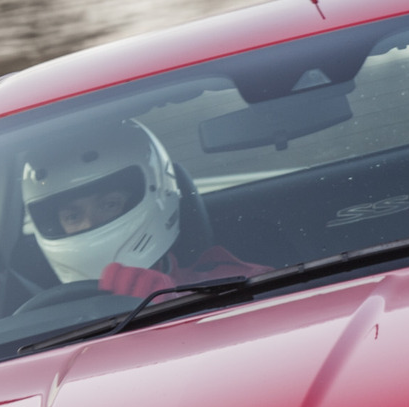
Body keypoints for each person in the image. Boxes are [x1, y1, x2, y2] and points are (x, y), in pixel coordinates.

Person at [21, 118, 265, 301]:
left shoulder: (232, 280)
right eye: (73, 216)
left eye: (109, 205)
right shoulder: (44, 322)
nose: (89, 224)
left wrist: (178, 305)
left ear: (158, 192)